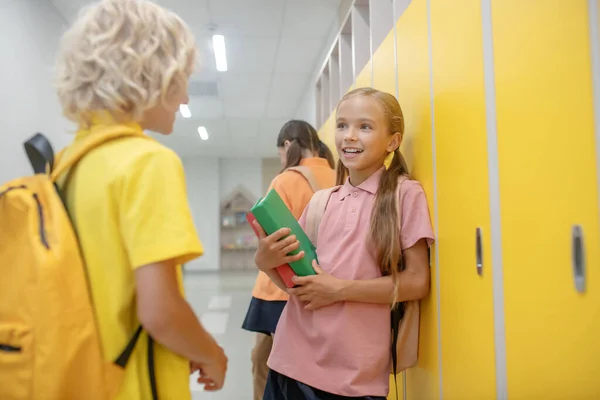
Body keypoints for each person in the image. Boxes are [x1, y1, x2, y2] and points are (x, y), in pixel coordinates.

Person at [53, 0, 227, 399]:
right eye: (182, 78)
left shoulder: (67, 165)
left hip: (81, 378)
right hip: (134, 384)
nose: (184, 99)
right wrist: (212, 353)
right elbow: (160, 312)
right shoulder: (148, 162)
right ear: (155, 75)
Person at [252, 88, 434, 399]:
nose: (349, 136)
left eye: (364, 127)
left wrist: (340, 289)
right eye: (342, 125)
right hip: (290, 358)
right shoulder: (322, 201)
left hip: (353, 375)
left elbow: (417, 281)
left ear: (393, 141)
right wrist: (265, 261)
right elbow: (300, 285)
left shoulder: (405, 194)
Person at [242, 120, 336, 400]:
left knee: (265, 361)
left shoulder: (286, 179)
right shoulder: (339, 176)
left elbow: (270, 238)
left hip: (278, 290)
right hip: (325, 283)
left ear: (287, 146)